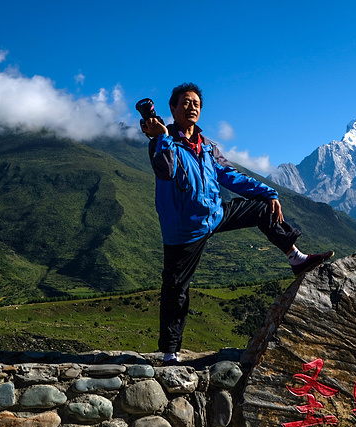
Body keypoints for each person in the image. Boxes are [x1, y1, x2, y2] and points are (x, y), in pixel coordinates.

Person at [141, 82, 334, 365]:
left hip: (214, 214)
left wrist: (268, 192)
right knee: (176, 288)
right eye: (185, 102)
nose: (192, 106)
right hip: (184, 229)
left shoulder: (207, 146)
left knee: (261, 208)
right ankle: (170, 352)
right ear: (172, 108)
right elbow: (166, 171)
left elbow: (230, 176)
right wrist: (162, 137)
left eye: (196, 102)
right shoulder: (161, 143)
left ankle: (296, 258)